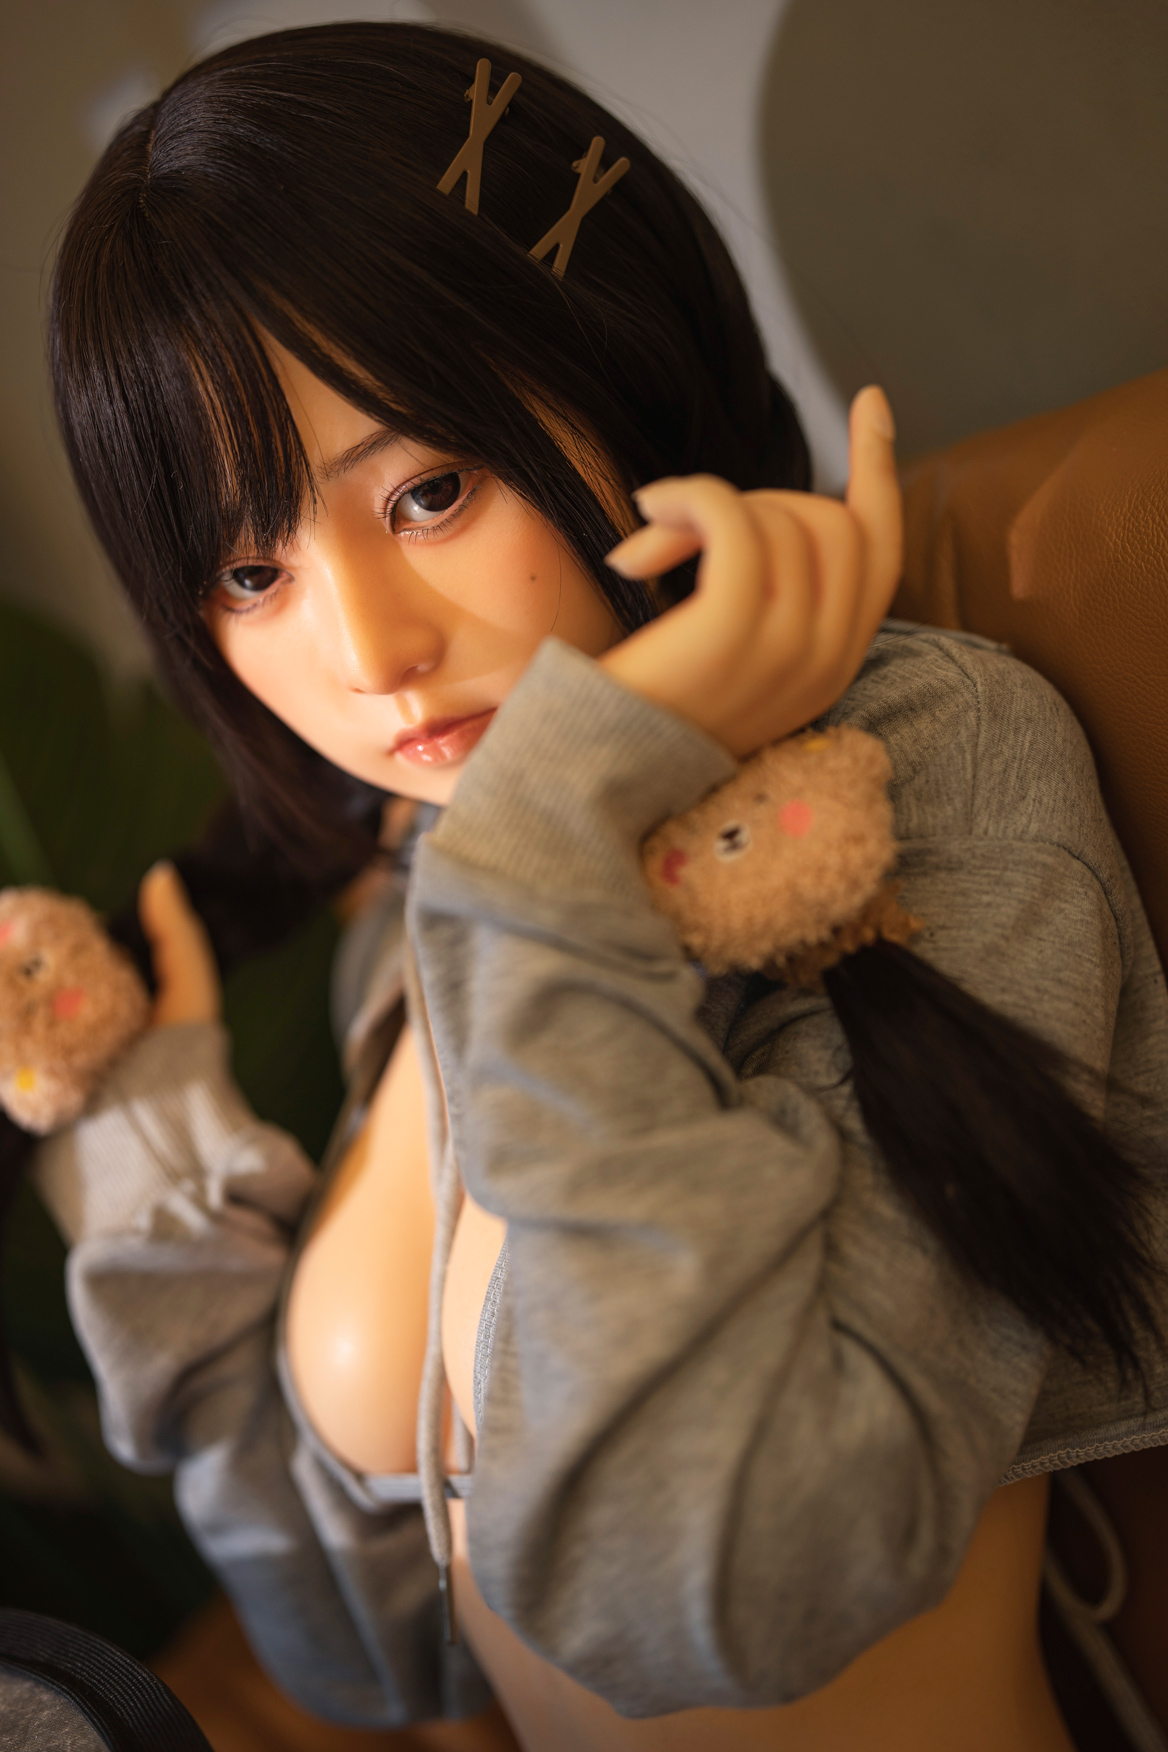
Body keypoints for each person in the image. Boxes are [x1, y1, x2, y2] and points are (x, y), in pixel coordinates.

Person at [33, 19, 1168, 1750]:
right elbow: (370, 1660)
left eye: (429, 491)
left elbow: (724, 1591)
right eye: (251, 572)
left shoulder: (916, 760)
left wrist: (553, 844)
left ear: (617, 373)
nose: (371, 653)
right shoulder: (428, 901)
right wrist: (149, 1166)